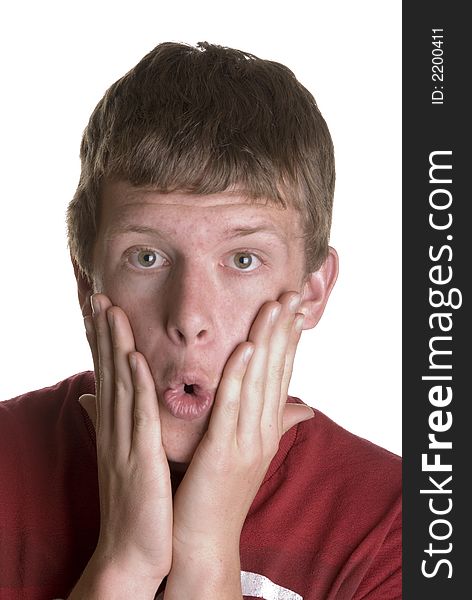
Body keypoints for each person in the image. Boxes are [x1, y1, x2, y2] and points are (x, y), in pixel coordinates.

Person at [0, 42, 401, 600]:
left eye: (242, 260)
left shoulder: (398, 527)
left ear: (311, 292)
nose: (189, 318)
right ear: (87, 282)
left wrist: (207, 555)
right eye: (147, 257)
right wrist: (125, 563)